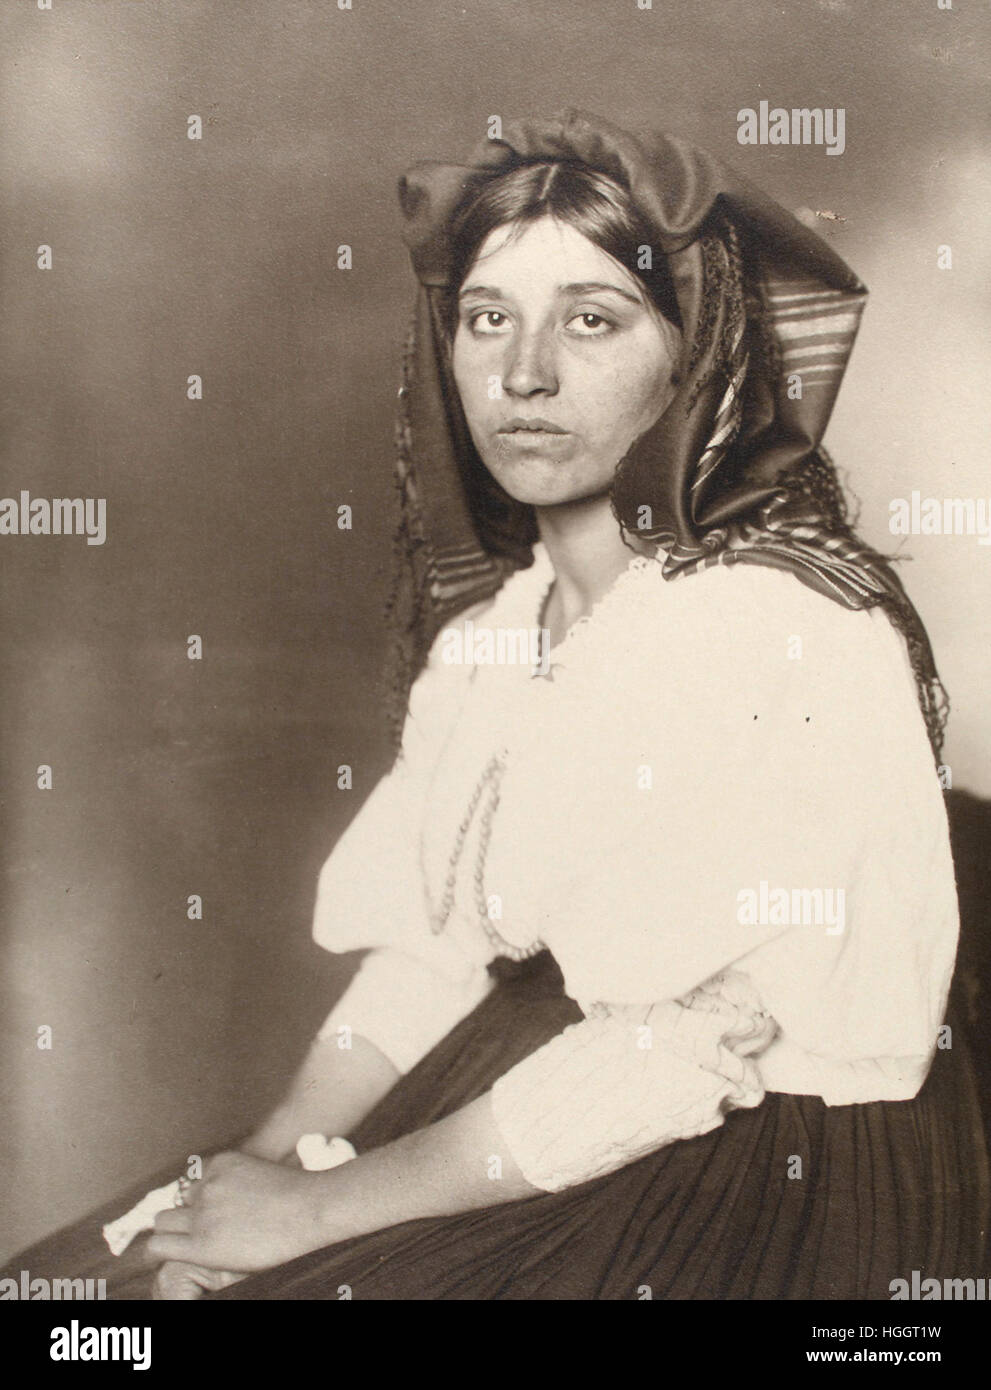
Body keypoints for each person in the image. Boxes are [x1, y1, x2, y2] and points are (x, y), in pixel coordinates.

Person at [6, 109, 988, 1301]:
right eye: (487, 318)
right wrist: (260, 1162)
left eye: (590, 318)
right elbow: (440, 952)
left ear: (699, 353)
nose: (523, 373)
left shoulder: (780, 629)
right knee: (81, 1305)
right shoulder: (493, 636)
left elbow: (682, 1052)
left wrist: (313, 1209)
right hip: (538, 1100)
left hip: (745, 1168)